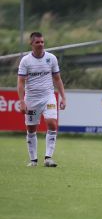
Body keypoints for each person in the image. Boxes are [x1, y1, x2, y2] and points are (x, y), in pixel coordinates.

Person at [17, 31, 66, 167]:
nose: (40, 44)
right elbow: (20, 82)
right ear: (31, 44)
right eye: (37, 42)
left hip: (48, 97)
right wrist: (22, 101)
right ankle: (33, 160)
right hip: (32, 99)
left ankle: (48, 158)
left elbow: (57, 78)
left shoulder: (51, 58)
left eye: (42, 42)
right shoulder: (25, 61)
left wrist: (63, 97)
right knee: (31, 128)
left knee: (52, 123)